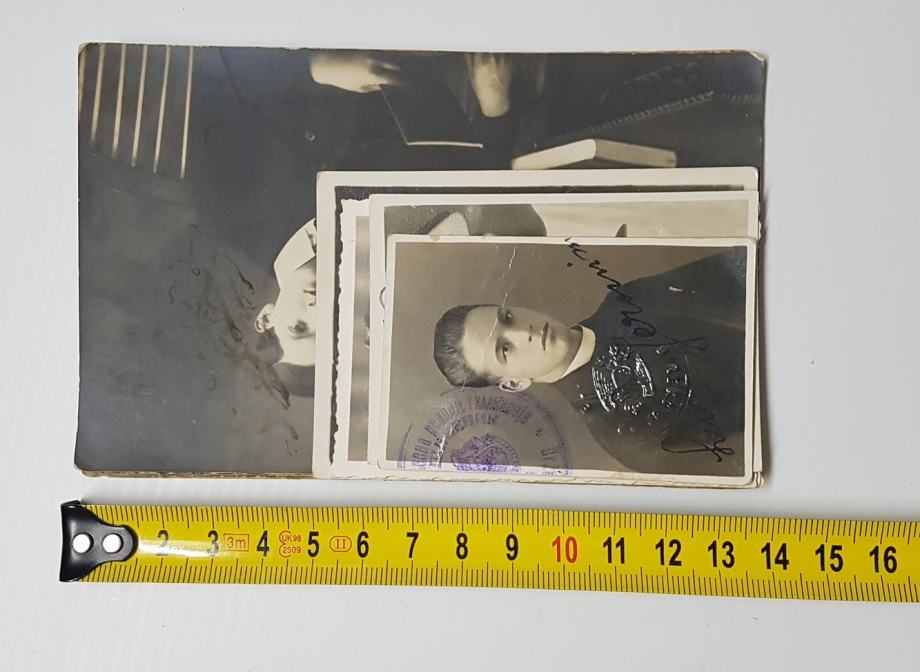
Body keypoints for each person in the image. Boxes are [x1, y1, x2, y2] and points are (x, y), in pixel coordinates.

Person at [432, 249, 748, 475]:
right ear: (514, 383)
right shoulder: (621, 436)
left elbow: (741, 269)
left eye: (508, 317)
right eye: (505, 349)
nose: (523, 332)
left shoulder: (625, 300)